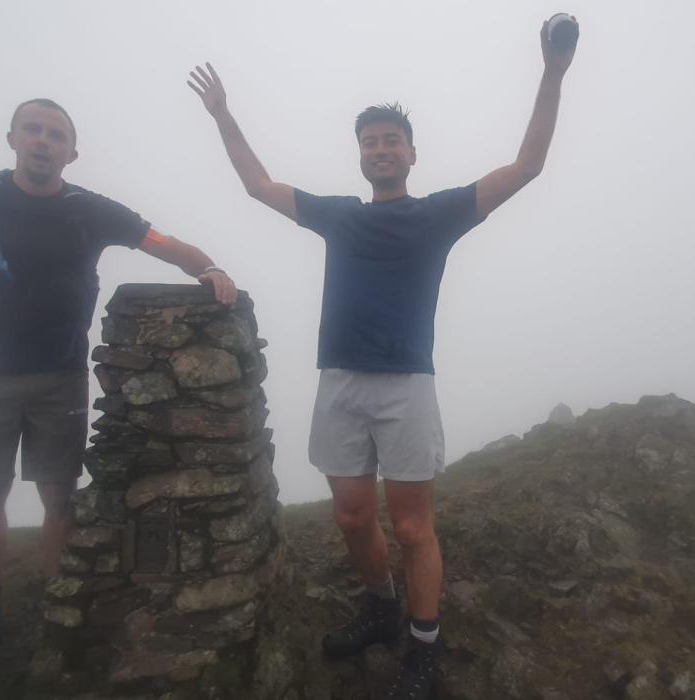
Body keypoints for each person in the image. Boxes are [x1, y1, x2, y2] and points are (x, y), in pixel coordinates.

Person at [188, 18, 575, 699]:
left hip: (405, 387)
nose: (381, 149)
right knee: (350, 517)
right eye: (370, 142)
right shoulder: (338, 214)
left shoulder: (438, 214)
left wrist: (552, 73)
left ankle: (423, 648)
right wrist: (223, 117)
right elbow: (257, 185)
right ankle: (381, 606)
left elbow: (528, 166)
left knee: (412, 524)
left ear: (411, 154)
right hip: (339, 380)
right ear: (361, 156)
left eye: (391, 140)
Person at [0, 98, 237, 672]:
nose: (44, 141)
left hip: (58, 376)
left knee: (58, 495)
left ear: (73, 152)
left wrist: (209, 269)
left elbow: (160, 242)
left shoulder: (87, 208)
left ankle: (57, 608)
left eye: (56, 134)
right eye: (34, 130)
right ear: (13, 138)